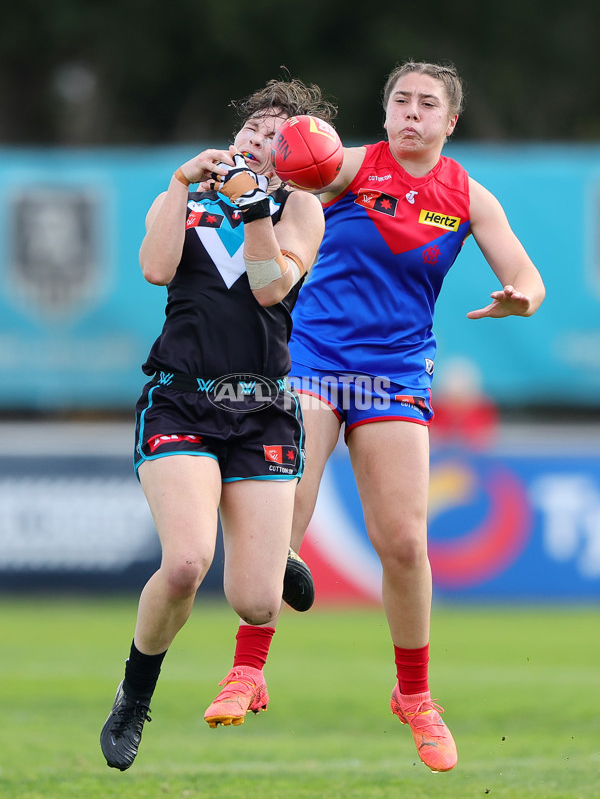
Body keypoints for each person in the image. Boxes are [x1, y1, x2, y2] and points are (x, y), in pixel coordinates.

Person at [218, 61, 546, 773]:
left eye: (428, 104)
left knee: (402, 541)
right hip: (314, 362)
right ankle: (249, 669)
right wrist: (257, 166)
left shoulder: (467, 195)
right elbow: (298, 179)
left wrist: (521, 293)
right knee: (285, 513)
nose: (411, 113)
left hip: (396, 373)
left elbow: (528, 275)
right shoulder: (347, 166)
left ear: (449, 122)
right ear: (387, 109)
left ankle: (415, 696)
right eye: (401, 99)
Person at [99, 77, 336, 771]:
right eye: (252, 130)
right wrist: (179, 184)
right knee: (186, 563)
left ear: (293, 154)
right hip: (180, 398)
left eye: (275, 136)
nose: (256, 141)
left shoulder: (301, 210)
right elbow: (153, 268)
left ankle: (274, 559)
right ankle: (135, 696)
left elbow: (270, 286)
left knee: (259, 604)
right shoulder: (187, 199)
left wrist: (255, 206)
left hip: (260, 405)